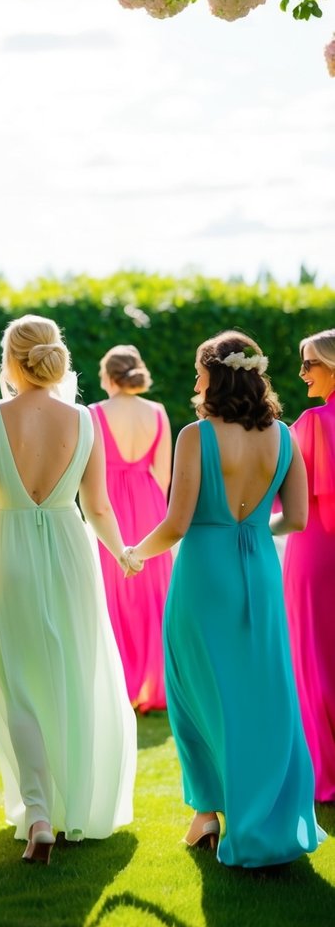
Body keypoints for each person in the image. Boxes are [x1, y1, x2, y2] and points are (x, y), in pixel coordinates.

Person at [0, 315, 137, 866]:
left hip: (10, 551)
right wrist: (120, 551)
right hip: (72, 553)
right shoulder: (85, 420)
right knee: (72, 673)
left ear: (10, 359)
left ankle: (40, 813)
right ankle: (71, 808)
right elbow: (96, 505)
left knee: (17, 683)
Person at [126, 331, 324, 867]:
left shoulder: (196, 435)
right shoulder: (283, 437)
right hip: (259, 567)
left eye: (198, 371)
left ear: (215, 374)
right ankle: (234, 814)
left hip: (204, 572)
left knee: (194, 691)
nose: (195, 382)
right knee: (260, 691)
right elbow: (299, 519)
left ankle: (209, 813)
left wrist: (133, 553)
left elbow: (176, 523)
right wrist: (255, 530)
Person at [90, 345, 171, 712]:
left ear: (108, 376)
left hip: (110, 506)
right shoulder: (158, 412)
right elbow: (164, 475)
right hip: (151, 504)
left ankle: (119, 683)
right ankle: (153, 687)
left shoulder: (93, 413)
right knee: (153, 595)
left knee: (112, 594)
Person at [283, 327, 335, 802]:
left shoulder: (313, 422)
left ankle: (324, 772)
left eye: (309, 364)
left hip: (317, 547)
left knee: (314, 656)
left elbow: (284, 491)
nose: (301, 373)